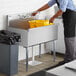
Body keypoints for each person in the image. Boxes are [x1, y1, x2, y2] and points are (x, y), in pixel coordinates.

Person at [32, 0, 76, 65]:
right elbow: (49, 4)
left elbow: (62, 10)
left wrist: (52, 18)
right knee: (67, 37)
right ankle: (68, 58)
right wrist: (38, 10)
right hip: (66, 15)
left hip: (70, 15)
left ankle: (71, 59)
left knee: (69, 37)